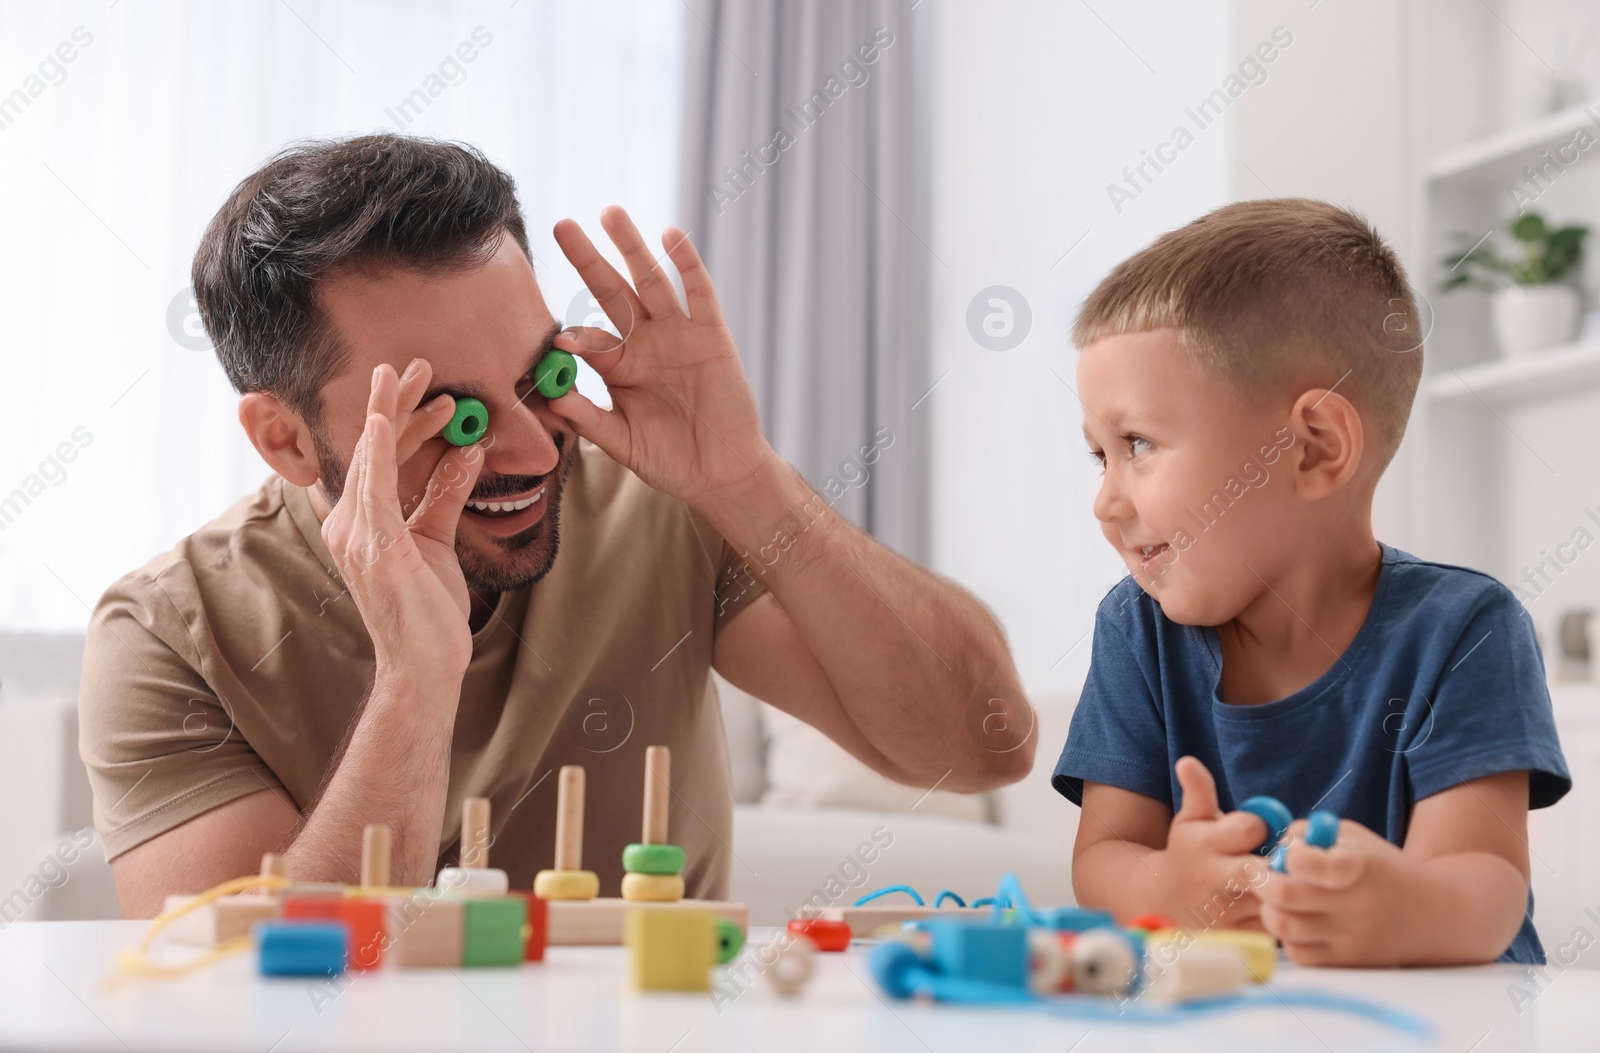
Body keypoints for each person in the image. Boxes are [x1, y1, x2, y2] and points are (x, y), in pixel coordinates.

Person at [79, 134, 1032, 917]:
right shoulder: (170, 633)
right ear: (285, 439)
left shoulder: (664, 503)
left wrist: (749, 479)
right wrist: (417, 677)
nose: (535, 449)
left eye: (541, 376)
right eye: (452, 414)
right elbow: (241, 997)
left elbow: (987, 745)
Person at [1054, 199, 1569, 966]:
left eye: (1138, 443)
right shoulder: (1137, 629)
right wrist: (1171, 886)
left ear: (1314, 450)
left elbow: (1487, 884)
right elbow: (1104, 858)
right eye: (1102, 455)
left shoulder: (1464, 628)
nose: (1107, 500)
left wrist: (1402, 907)